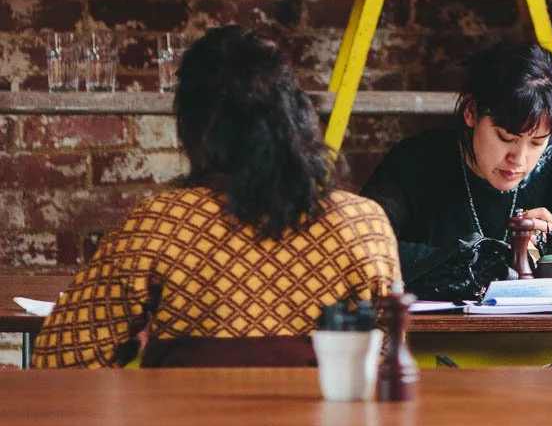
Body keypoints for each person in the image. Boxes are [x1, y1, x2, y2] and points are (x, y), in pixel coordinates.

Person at [33, 26, 400, 368]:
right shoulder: (363, 223)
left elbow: (61, 358)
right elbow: (384, 360)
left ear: (195, 131)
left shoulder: (158, 224)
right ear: (298, 116)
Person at [362, 38, 552, 281]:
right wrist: (498, 258)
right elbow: (361, 248)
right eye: (505, 137)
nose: (519, 159)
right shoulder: (415, 163)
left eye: (537, 143)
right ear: (470, 112)